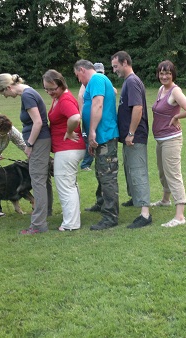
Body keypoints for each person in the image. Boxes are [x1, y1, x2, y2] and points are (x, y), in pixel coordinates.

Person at [0, 73, 53, 234]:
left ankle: (38, 225)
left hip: (39, 141)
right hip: (41, 140)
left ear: (7, 87)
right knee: (42, 179)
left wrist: (30, 144)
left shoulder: (27, 95)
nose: (5, 97)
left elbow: (38, 122)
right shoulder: (29, 93)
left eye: (3, 93)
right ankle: (46, 213)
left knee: (37, 180)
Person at [73, 60, 120, 231]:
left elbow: (98, 104)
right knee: (101, 173)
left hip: (104, 136)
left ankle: (110, 217)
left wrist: (92, 131)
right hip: (100, 137)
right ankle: (101, 203)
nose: (79, 80)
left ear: (82, 70)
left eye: (77, 76)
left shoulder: (97, 80)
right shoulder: (94, 82)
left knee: (107, 176)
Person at [150, 60, 186, 227]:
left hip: (171, 139)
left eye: (167, 73)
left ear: (173, 74)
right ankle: (165, 200)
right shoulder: (162, 89)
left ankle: (180, 216)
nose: (164, 76)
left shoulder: (175, 92)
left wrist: (176, 117)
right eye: (161, 73)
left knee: (173, 174)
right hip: (160, 139)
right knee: (163, 173)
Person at [111, 51, 152, 229]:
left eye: (116, 66)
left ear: (125, 62)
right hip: (130, 136)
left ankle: (145, 214)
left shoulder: (133, 81)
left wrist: (131, 133)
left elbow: (138, 108)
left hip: (135, 136)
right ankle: (136, 198)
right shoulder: (128, 82)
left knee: (138, 171)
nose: (114, 70)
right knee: (129, 169)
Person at [43, 69, 86, 232]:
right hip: (67, 149)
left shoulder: (65, 99)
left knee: (65, 186)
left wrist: (68, 132)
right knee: (70, 184)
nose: (49, 92)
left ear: (61, 84)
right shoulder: (59, 97)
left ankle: (71, 224)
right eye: (46, 89)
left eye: (52, 88)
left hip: (68, 149)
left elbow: (75, 117)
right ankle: (73, 218)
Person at [78, 62, 105, 172]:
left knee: (93, 140)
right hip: (89, 118)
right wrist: (81, 112)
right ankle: (85, 164)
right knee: (89, 140)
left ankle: (96, 161)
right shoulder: (88, 82)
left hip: (95, 118)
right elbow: (81, 96)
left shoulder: (99, 80)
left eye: (101, 72)